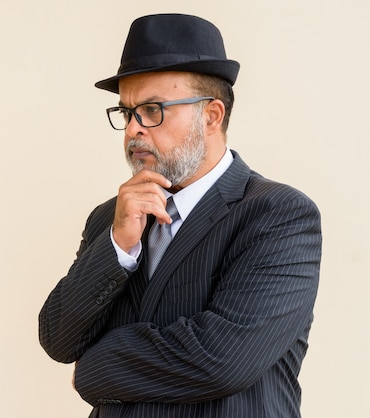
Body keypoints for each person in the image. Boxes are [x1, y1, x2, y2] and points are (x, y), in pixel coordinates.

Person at [38, 13, 321, 418]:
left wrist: (95, 369)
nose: (133, 129)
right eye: (127, 111)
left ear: (211, 116)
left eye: (152, 110)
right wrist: (119, 245)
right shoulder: (110, 219)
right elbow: (58, 339)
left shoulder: (278, 215)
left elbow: (224, 359)